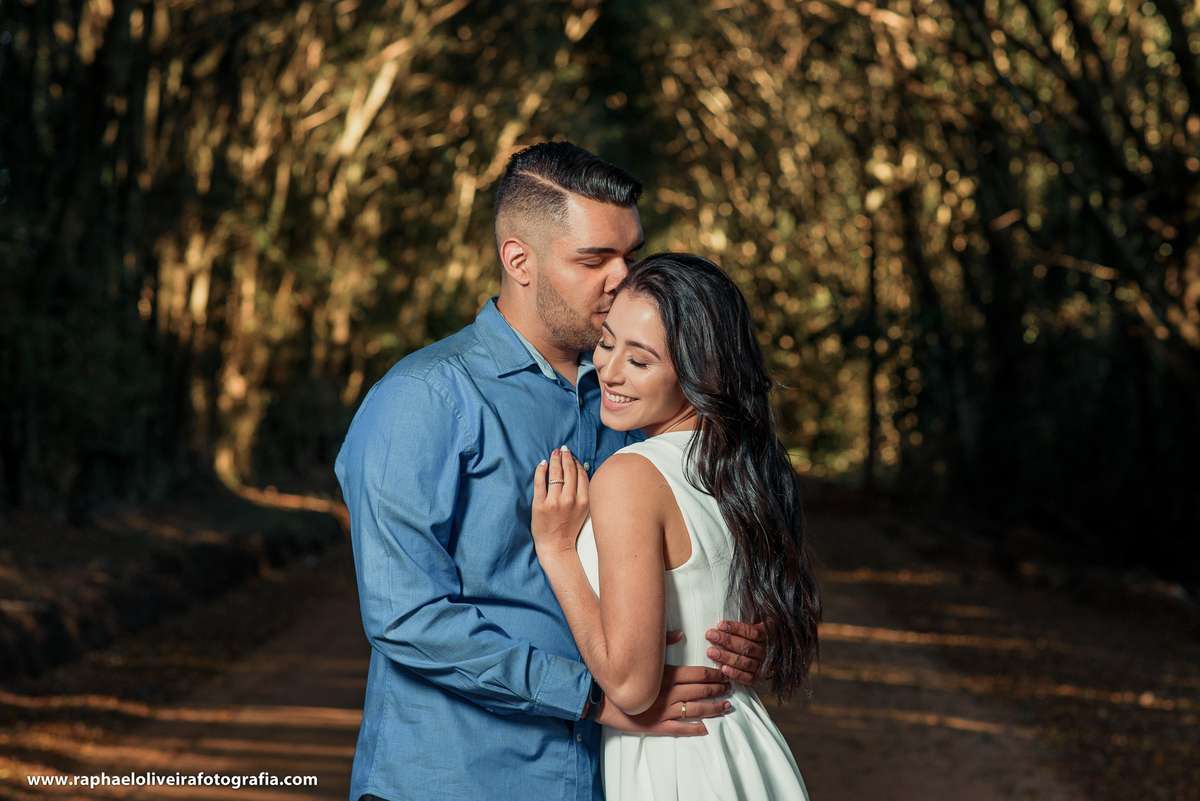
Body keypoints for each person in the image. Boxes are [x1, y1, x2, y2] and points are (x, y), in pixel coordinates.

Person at [335, 143, 767, 801]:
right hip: (459, 780)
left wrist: (742, 633)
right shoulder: (423, 398)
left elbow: (705, 537)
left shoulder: (637, 396)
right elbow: (405, 615)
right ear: (519, 261)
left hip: (614, 778)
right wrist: (591, 697)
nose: (622, 279)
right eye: (594, 260)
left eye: (631, 255)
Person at [531, 253, 821, 800]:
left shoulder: (631, 475)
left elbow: (631, 687)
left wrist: (558, 551)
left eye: (640, 360)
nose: (609, 371)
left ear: (701, 371)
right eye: (607, 343)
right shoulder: (739, 468)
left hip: (678, 765)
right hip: (743, 746)